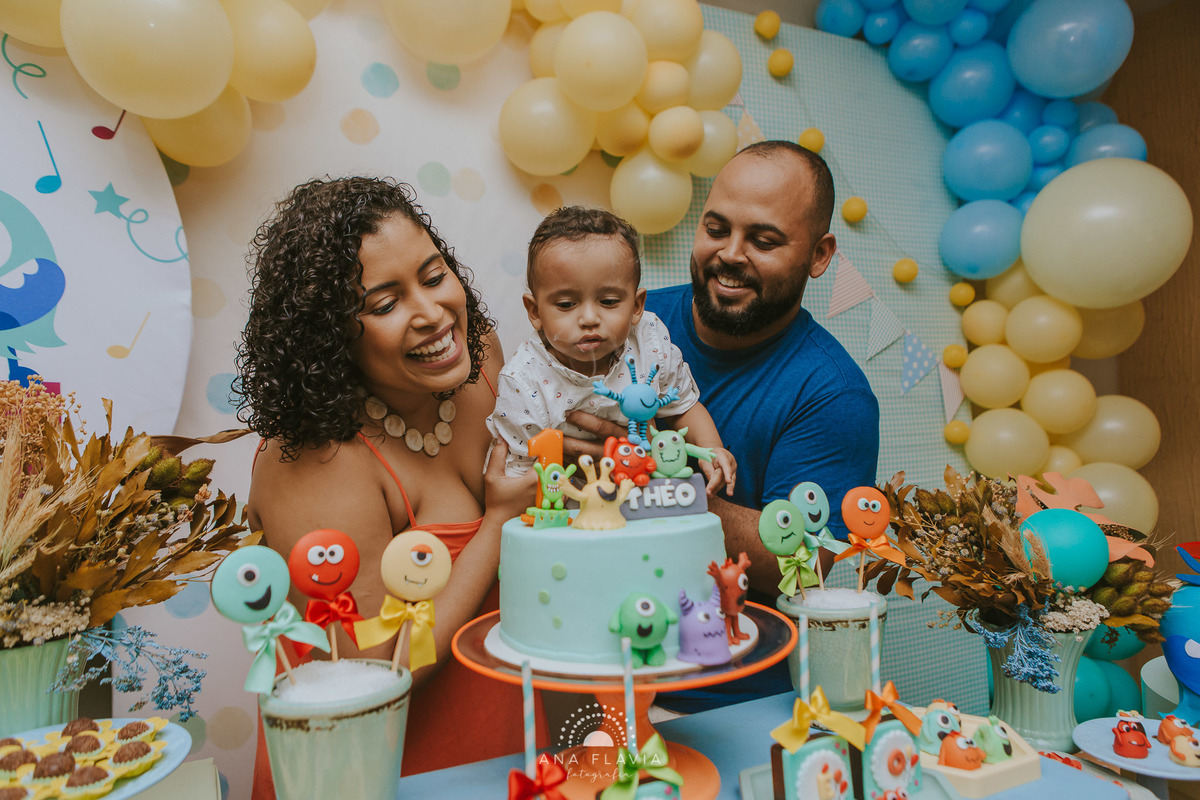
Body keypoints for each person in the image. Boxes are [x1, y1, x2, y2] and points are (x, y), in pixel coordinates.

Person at [234, 176, 537, 791]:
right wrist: (501, 523)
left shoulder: (479, 357)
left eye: (433, 276)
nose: (432, 316)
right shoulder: (318, 458)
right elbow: (375, 666)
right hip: (376, 770)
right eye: (384, 303)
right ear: (328, 335)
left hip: (503, 743)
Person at [566, 141, 881, 711]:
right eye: (716, 228)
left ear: (819, 254)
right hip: (585, 668)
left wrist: (641, 482)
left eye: (763, 240)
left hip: (720, 701)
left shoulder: (833, 393)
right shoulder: (627, 322)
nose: (729, 254)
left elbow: (804, 565)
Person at [488, 205, 735, 493]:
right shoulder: (523, 380)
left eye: (608, 302)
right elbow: (516, 471)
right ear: (535, 311)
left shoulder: (649, 343)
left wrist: (711, 451)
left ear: (636, 306)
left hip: (641, 492)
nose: (589, 319)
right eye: (566, 305)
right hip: (564, 506)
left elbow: (683, 406)